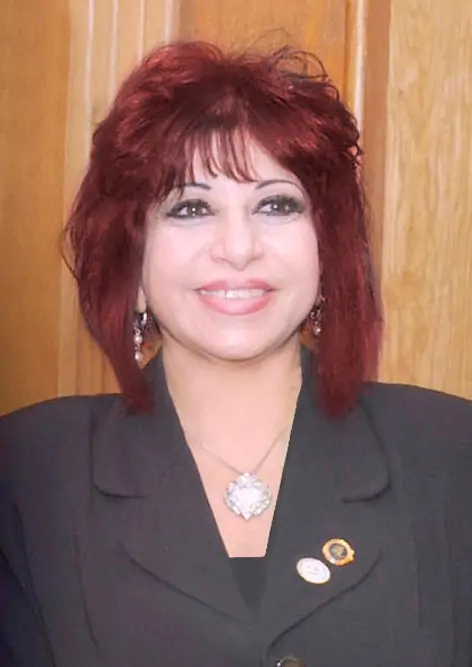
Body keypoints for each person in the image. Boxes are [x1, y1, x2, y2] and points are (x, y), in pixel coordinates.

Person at [1, 39, 472, 667]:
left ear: (328, 251)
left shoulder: (451, 454)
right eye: (191, 208)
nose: (239, 246)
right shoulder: (27, 473)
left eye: (276, 205)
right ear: (131, 263)